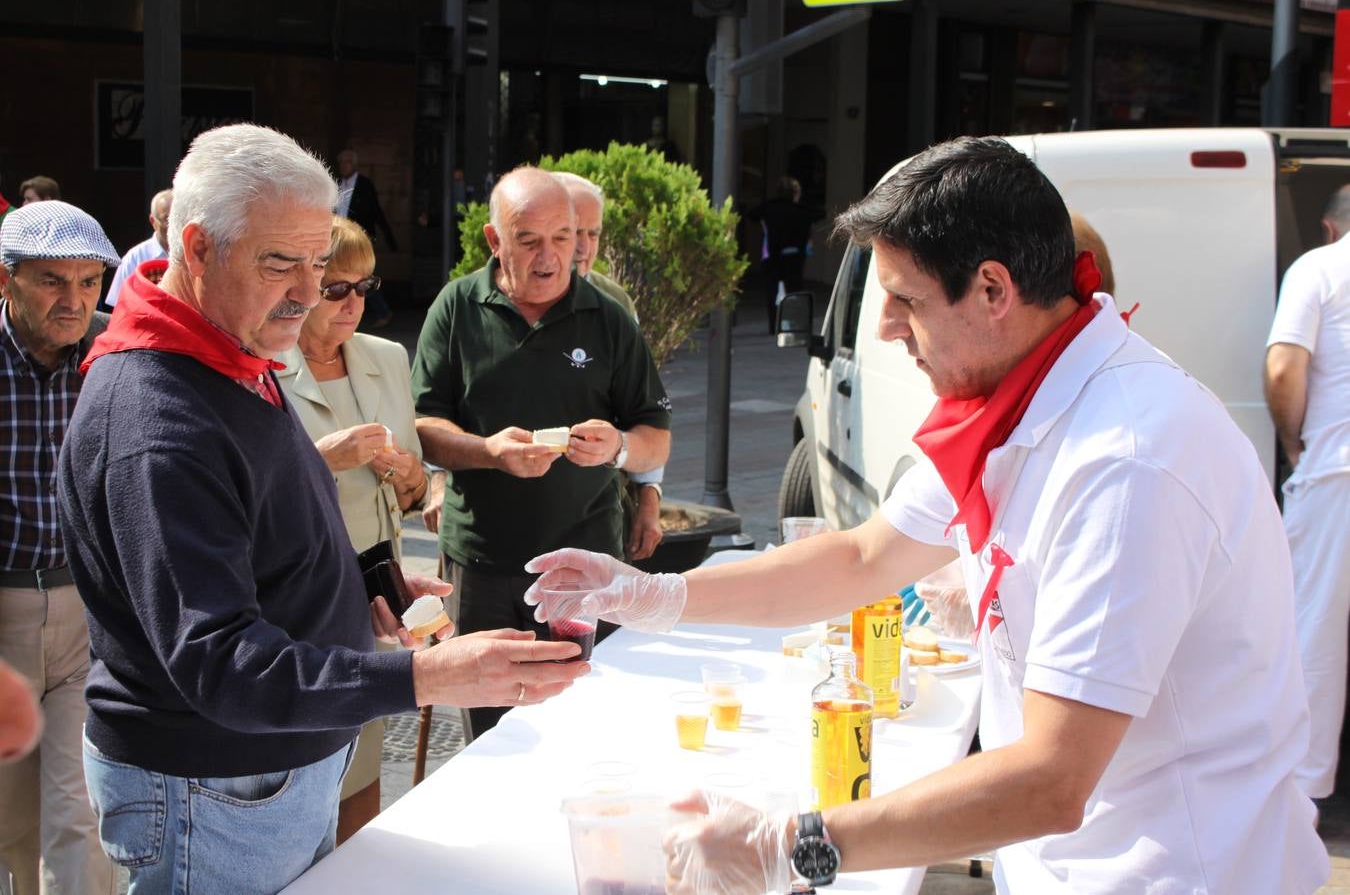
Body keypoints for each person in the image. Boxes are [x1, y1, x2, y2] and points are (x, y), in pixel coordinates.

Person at [527, 137, 1328, 894]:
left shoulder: (1126, 460)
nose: (884, 327)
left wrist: (791, 847)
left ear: (992, 289)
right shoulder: (1021, 398)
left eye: (904, 299)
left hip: (1176, 871)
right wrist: (653, 595)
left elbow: (1052, 777)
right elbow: (863, 560)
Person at [58, 124, 588, 894]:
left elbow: (272, 507)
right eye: (283, 263)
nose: (309, 294)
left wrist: (367, 578)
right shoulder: (156, 418)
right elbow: (220, 663)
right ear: (198, 250)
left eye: (318, 263)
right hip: (212, 790)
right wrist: (427, 677)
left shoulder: (229, 342)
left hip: (259, 773)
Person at [412, 166, 671, 740]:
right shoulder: (457, 308)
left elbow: (654, 430)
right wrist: (487, 451)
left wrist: (619, 447)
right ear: (493, 240)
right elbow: (423, 425)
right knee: (493, 733)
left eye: (563, 236)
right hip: (481, 561)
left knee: (584, 722)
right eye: (528, 240)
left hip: (583, 566)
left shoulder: (607, 317)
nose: (551, 255)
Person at [276, 216, 428, 842]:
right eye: (337, 288)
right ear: (305, 286)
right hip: (295, 595)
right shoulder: (266, 364)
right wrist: (323, 458)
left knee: (363, 770)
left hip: (375, 594)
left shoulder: (387, 357)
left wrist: (411, 476)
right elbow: (244, 489)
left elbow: (417, 493)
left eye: (366, 287)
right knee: (298, 774)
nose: (354, 303)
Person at [0, 200, 118, 895]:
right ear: (6, 279)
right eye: (52, 280)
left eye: (88, 280)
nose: (74, 301)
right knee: (11, 819)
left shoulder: (115, 351)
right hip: (4, 607)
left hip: (87, 610)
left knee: (81, 810)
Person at [1265, 183, 1350, 801]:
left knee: (1315, 633)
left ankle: (1302, 793)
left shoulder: (1320, 268)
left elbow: (1283, 367)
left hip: (1338, 475)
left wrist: (1294, 442)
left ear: (1329, 227)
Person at [553, 171, 664, 561]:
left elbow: (644, 411)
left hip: (597, 522)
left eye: (594, 234)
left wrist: (648, 498)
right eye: (573, 232)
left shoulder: (615, 302)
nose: (584, 247)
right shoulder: (473, 301)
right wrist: (440, 483)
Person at [747, 175, 823, 333]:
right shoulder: (802, 210)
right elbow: (820, 214)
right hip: (794, 256)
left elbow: (752, 214)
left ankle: (772, 327)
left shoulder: (770, 207)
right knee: (794, 292)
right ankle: (792, 326)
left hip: (772, 255)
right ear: (796, 193)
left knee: (771, 292)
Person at [335, 150, 396, 329]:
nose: (344, 165)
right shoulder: (338, 183)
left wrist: (388, 238)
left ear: (354, 165)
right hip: (338, 237)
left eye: (347, 162)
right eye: (342, 162)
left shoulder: (364, 185)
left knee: (362, 275)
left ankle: (383, 311)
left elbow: (376, 213)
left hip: (358, 238)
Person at [105, 188, 172, 309]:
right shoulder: (135, 258)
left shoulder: (194, 253)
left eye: (177, 218)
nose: (173, 225)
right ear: (153, 221)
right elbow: (119, 305)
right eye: (167, 219)